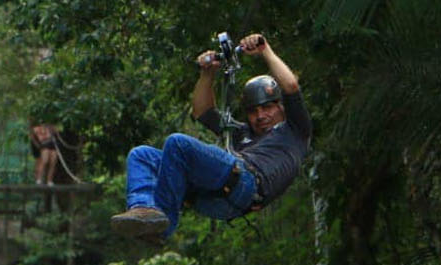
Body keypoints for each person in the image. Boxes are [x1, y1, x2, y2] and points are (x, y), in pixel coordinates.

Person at [109, 33, 311, 242]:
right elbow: (202, 111)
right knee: (142, 155)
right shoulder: (240, 134)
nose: (260, 116)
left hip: (246, 185)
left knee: (178, 144)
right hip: (211, 196)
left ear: (281, 107)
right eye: (253, 111)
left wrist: (264, 50)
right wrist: (208, 74)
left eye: (267, 107)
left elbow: (291, 87)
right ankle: (143, 210)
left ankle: (160, 227)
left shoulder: (295, 131)